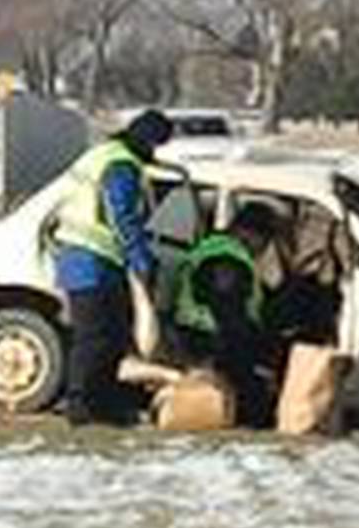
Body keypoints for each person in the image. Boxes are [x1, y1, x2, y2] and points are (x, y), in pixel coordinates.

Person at [51, 109, 173, 426]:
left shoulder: (104, 154)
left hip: (87, 257)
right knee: (93, 338)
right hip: (90, 260)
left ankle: (105, 402)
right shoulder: (120, 165)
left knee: (113, 337)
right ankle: (80, 405)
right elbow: (122, 217)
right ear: (147, 140)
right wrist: (140, 259)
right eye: (157, 145)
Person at [170, 201, 286, 426]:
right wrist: (259, 354)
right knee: (257, 405)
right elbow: (228, 315)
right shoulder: (228, 260)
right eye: (265, 243)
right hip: (209, 344)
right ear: (251, 234)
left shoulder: (213, 248)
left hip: (197, 337)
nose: (263, 251)